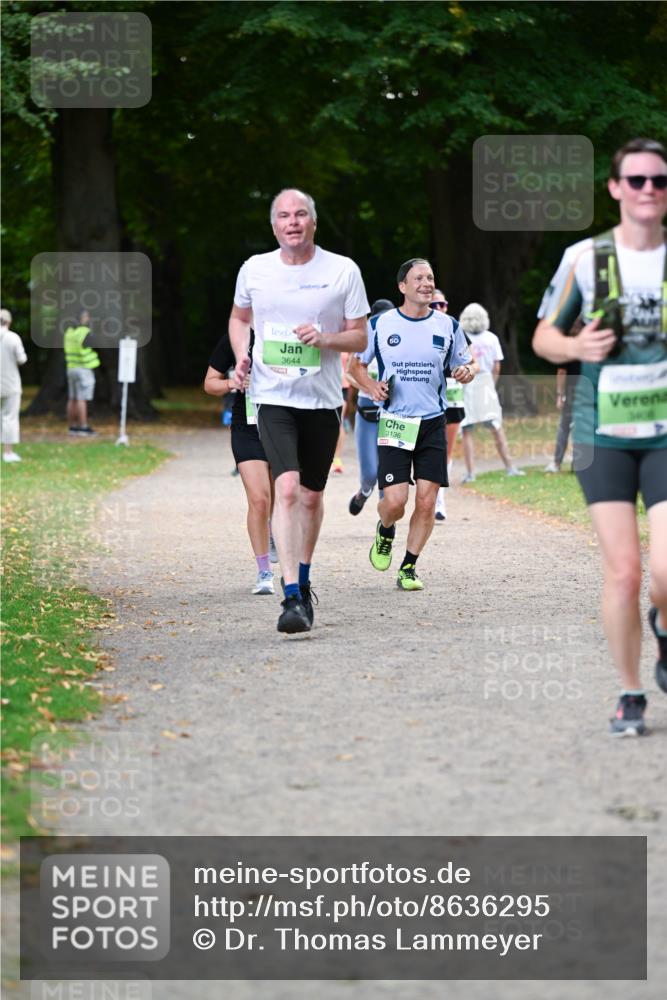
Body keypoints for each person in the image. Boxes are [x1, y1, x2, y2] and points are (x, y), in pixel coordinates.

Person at [533, 136, 667, 736]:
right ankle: (630, 692)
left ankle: (662, 626)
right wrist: (576, 346)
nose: (648, 191)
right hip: (602, 431)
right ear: (615, 188)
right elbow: (543, 339)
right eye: (636, 180)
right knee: (624, 572)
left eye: (658, 181)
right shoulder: (586, 258)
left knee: (666, 572)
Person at [229, 188, 369, 633]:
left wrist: (325, 339)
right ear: (274, 226)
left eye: (301, 214)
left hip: (323, 400)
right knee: (285, 488)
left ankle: (304, 580)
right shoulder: (255, 269)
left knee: (311, 496)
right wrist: (241, 355)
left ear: (313, 222)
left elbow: (360, 337)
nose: (292, 222)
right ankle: (290, 596)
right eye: (284, 216)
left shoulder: (342, 271)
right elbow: (239, 318)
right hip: (272, 397)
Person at [350, 258, 475, 592]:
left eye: (431, 277)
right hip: (395, 422)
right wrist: (371, 387)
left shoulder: (448, 326)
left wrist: (467, 371)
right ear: (402, 286)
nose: (426, 283)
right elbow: (355, 366)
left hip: (433, 422)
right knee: (394, 502)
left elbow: (467, 363)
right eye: (419, 278)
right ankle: (386, 529)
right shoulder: (379, 324)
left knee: (427, 501)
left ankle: (408, 566)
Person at [204, 331, 275, 596]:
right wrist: (232, 383)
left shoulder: (289, 331)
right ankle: (264, 571)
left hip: (284, 426)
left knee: (278, 496)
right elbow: (210, 383)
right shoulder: (238, 338)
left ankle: (274, 529)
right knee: (259, 499)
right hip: (247, 427)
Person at [458, 303, 525, 481]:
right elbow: (497, 366)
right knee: (496, 426)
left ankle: (471, 473)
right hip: (486, 381)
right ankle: (510, 467)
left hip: (467, 383)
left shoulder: (461, 338)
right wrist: (492, 385)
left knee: (467, 428)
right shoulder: (492, 338)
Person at [346, 299, 395, 515]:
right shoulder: (363, 341)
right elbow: (349, 372)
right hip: (367, 414)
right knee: (370, 475)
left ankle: (385, 525)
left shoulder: (399, 342)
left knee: (388, 475)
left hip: (392, 414)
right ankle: (364, 492)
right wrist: (369, 386)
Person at [430, 288, 465, 521]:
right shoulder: (417, 328)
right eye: (434, 305)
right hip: (427, 399)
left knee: (447, 452)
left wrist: (466, 370)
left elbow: (473, 362)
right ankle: (428, 496)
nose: (439, 309)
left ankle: (439, 500)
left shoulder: (454, 328)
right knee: (429, 452)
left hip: (452, 399)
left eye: (442, 304)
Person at [64, 309, 99, 435]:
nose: (88, 319)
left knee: (72, 398)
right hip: (83, 368)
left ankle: (72, 426)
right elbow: (95, 346)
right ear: (82, 318)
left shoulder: (69, 333)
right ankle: (83, 426)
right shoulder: (84, 332)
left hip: (71, 367)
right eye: (86, 317)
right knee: (82, 399)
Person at [0, 308, 27, 463]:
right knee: (9, 417)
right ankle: (8, 452)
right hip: (10, 383)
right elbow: (22, 359)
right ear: (9, 321)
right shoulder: (13, 338)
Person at [544, 360, 580, 473]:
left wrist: (560, 394)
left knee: (564, 428)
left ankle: (556, 463)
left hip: (571, 393)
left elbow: (561, 372)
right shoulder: (592, 346)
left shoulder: (568, 349)